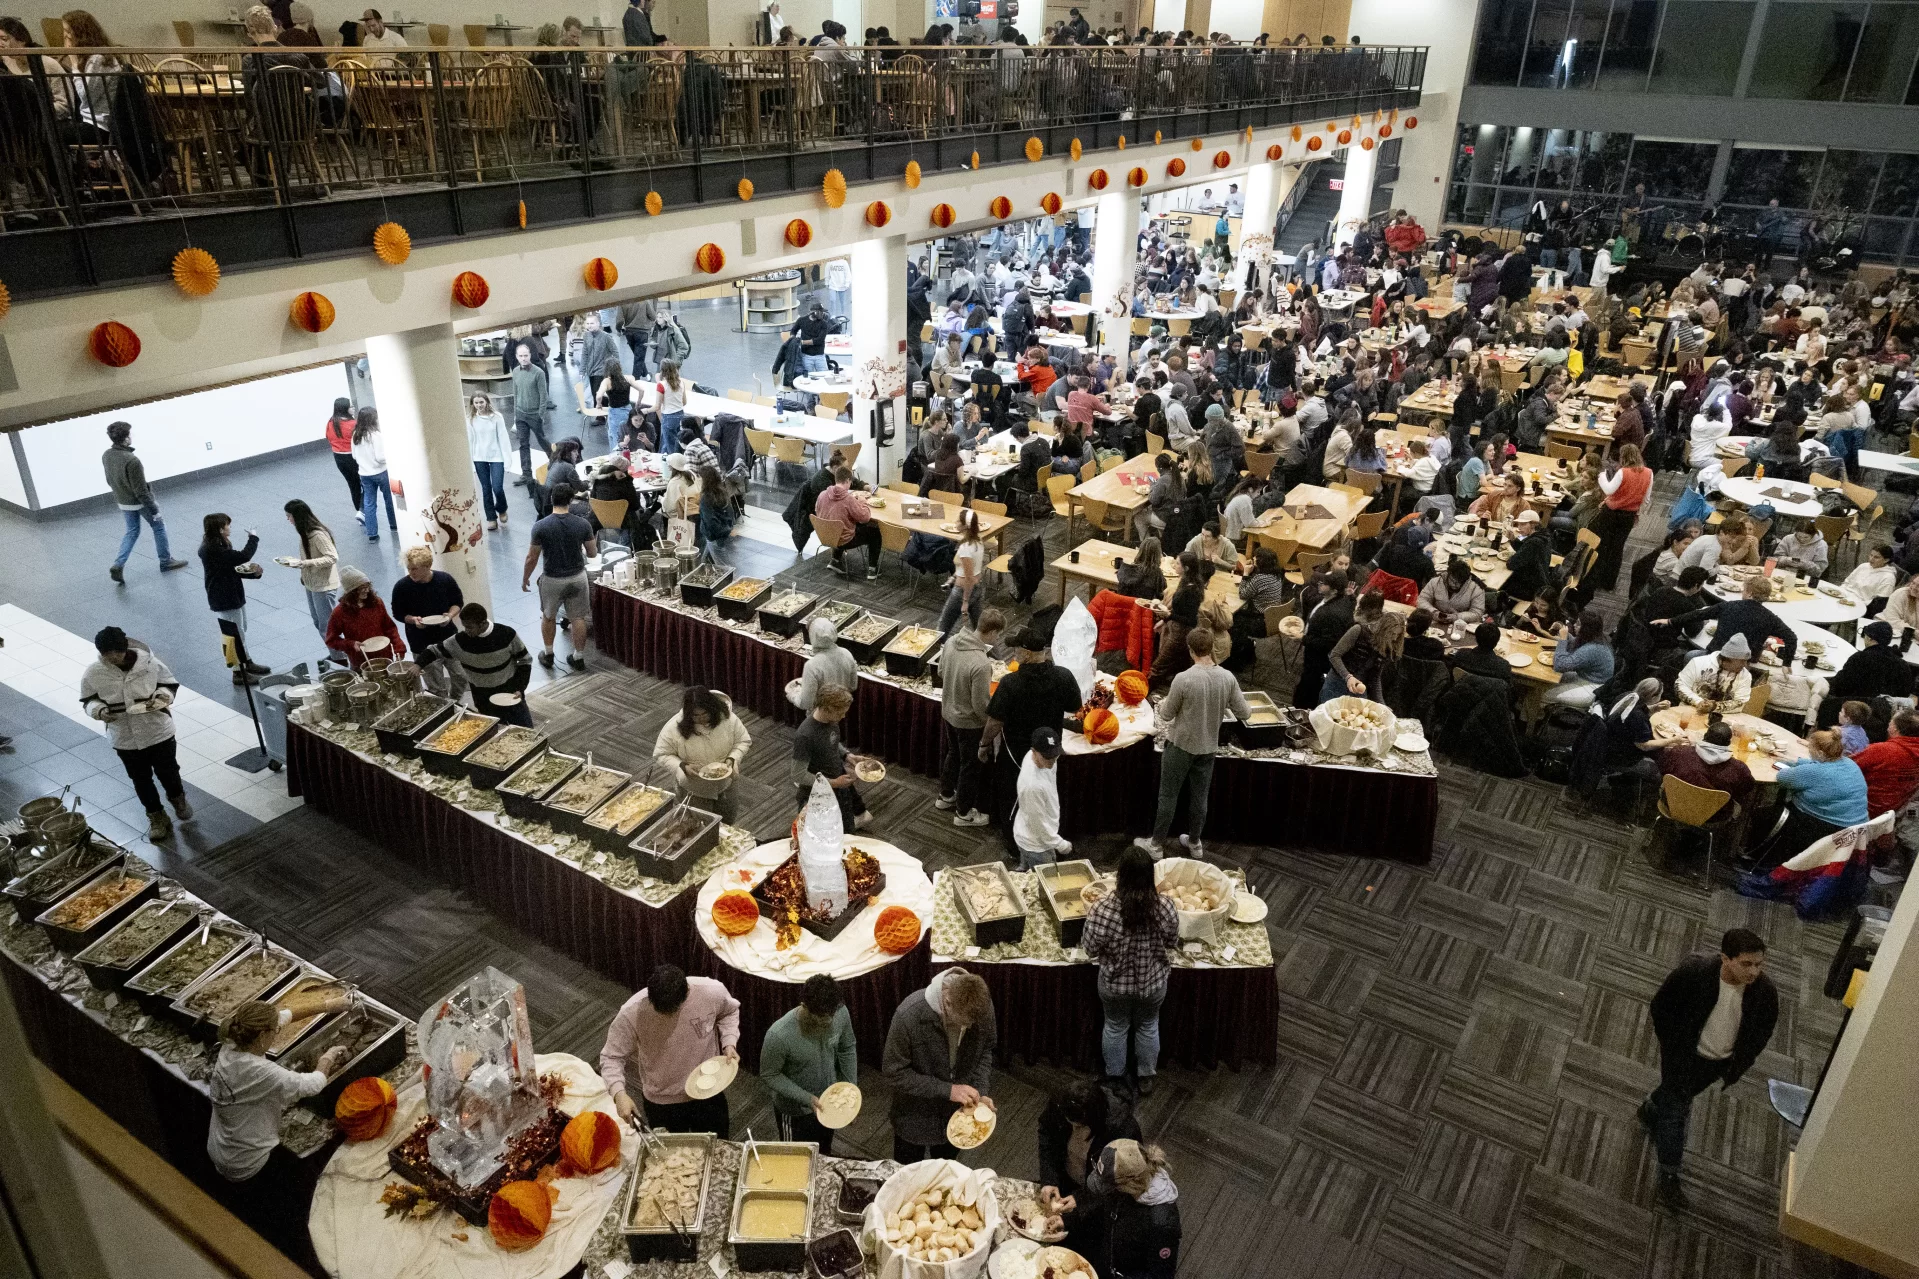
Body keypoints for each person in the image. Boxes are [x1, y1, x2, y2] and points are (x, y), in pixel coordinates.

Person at [1641, 930, 1778, 1211]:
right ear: (1725, 959)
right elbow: (1661, 1007)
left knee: (1676, 1098)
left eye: (1759, 964)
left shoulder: (1765, 993)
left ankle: (1651, 1108)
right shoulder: (1694, 972)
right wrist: (1673, 1045)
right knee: (1677, 1112)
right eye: (1746, 964)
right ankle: (1669, 1173)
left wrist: (1739, 1063)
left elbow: (1760, 1034)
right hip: (1683, 1056)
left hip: (1717, 1063)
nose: (1754, 972)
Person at [1136, 628, 1250, 860]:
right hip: (1208, 748)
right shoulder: (1227, 678)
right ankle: (1195, 842)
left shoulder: (1183, 679)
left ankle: (1156, 845)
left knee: (1168, 796)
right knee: (1200, 797)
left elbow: (1166, 715)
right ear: (1211, 648)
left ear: (1190, 650)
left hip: (1180, 746)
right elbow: (1245, 712)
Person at [207, 1001, 349, 1183]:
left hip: (220, 1145)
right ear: (261, 1036)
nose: (277, 1033)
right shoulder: (258, 1070)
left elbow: (286, 1016)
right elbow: (312, 1085)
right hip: (247, 1159)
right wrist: (328, 1057)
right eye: (275, 1032)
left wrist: (328, 1005)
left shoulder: (234, 1040)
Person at [81, 627, 193, 842]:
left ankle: (177, 799)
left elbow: (168, 685)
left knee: (168, 771)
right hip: (124, 737)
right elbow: (88, 700)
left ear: (124, 649)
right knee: (140, 780)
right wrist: (99, 711)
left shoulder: (150, 664)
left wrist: (162, 697)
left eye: (115, 652)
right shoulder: (94, 672)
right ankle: (156, 816)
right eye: (106, 654)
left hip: (158, 730)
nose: (112, 658)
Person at [1082, 845, 1179, 1092]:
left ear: (1120, 875)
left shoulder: (1103, 910)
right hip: (1154, 984)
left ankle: (1115, 1077)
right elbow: (1171, 941)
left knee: (1115, 1026)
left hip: (1114, 985)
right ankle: (1146, 1077)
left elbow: (1090, 948)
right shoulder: (1166, 907)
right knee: (1148, 1026)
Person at [601, 964, 741, 1136]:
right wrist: (619, 1094)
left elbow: (729, 1012)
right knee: (672, 1157)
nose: (668, 1017)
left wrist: (729, 1042)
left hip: (709, 1089)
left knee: (718, 1146)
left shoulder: (711, 991)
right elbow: (611, 1057)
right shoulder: (631, 1013)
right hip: (662, 1101)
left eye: (673, 1011)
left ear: (687, 992)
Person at [883, 968, 996, 1165]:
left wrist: (980, 1091)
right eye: (963, 1023)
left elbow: (985, 1050)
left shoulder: (981, 1007)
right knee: (908, 1174)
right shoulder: (908, 1015)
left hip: (954, 1118)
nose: (968, 1028)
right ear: (947, 1002)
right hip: (913, 1118)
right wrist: (948, 1090)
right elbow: (894, 1073)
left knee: (945, 1172)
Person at [982, 627, 1084, 842]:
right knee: (1047, 796)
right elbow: (1076, 708)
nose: (1014, 653)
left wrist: (984, 744)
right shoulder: (1063, 676)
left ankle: (1013, 842)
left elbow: (995, 721)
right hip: (1048, 750)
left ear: (1026, 654)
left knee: (1013, 797)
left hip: (1015, 754)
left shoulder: (1010, 683)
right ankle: (1047, 837)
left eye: (1017, 649)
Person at [759, 974, 857, 1153]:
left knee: (824, 1150)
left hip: (828, 1102)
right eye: (821, 1017)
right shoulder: (779, 1035)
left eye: (831, 1015)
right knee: (795, 1158)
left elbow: (847, 1047)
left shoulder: (840, 1012)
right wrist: (806, 1098)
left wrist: (850, 1086)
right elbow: (769, 1075)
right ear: (804, 1006)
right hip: (795, 1112)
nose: (828, 1021)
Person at [1037, 1079, 1141, 1237]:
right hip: (1066, 1183)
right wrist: (1049, 1179)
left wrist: (1082, 1200)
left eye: (1079, 1126)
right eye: (1069, 1123)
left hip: (1101, 1201)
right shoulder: (1061, 1104)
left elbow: (1121, 1183)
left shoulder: (1123, 1130)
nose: (1073, 1129)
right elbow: (1048, 1139)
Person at [1749, 728, 1867, 868]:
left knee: (1762, 815)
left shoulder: (1816, 772)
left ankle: (1758, 858)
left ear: (1820, 753)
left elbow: (1783, 777)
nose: (1809, 752)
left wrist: (1789, 765)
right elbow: (1815, 766)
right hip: (1853, 830)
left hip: (1826, 829)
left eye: (1811, 749)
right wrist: (1797, 763)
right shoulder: (1849, 763)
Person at [1066, 1140, 1182, 1279]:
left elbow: (1160, 1275)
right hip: (1106, 1263)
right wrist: (1067, 1220)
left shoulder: (1162, 1224)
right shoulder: (1122, 1183)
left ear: (1131, 1183)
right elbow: (1102, 1208)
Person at [521, 482, 598, 672]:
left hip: (552, 579)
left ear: (551, 499)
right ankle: (578, 657)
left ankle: (548, 654)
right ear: (571, 500)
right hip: (577, 577)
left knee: (548, 616)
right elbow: (592, 553)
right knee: (578, 618)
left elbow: (532, 557)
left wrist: (525, 578)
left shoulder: (540, 526)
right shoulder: (583, 524)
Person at [101, 422, 188, 583]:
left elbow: (109, 480)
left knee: (132, 531)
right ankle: (166, 561)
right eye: (130, 434)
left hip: (123, 501)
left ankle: (118, 564)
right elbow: (141, 491)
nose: (131, 437)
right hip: (138, 502)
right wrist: (154, 510)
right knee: (159, 526)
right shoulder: (132, 460)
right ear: (126, 439)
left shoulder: (107, 455)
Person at [938, 608, 1001, 829]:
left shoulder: (952, 641)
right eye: (998, 634)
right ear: (992, 632)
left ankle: (945, 795)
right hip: (969, 723)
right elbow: (980, 705)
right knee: (970, 765)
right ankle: (963, 813)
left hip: (948, 712)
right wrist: (990, 725)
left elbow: (940, 672)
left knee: (953, 753)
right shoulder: (981, 663)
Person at [422, 603, 534, 725]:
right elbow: (434, 651)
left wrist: (519, 687)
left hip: (510, 693)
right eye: (464, 627)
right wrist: (417, 665)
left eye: (470, 627)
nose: (466, 631)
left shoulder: (507, 634)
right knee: (494, 731)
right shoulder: (460, 641)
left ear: (482, 623)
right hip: (482, 697)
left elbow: (525, 660)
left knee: (525, 729)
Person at [653, 686, 752, 822]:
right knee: (698, 827)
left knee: (728, 822)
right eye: (696, 715)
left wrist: (732, 758)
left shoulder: (728, 719)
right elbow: (661, 754)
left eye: (705, 714)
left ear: (712, 708)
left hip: (726, 785)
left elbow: (743, 741)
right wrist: (682, 766)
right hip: (694, 790)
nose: (701, 719)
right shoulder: (674, 727)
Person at [1663, 576, 1796, 667]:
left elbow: (1698, 614)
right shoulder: (1770, 618)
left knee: (1690, 655)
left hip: (1715, 657)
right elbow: (1792, 638)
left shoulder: (1728, 606)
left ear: (1749, 593)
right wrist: (1786, 664)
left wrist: (1670, 621)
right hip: (1743, 664)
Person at [199, 514, 268, 685]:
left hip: (231, 592)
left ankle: (247, 662)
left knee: (241, 629)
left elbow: (230, 569)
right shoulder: (213, 549)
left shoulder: (217, 545)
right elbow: (243, 556)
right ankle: (238, 671)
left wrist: (253, 574)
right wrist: (253, 537)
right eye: (227, 525)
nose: (230, 528)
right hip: (224, 596)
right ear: (220, 529)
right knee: (233, 634)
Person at [391, 546, 465, 698]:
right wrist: (413, 620)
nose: (411, 573)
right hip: (421, 642)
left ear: (427, 566)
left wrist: (450, 616)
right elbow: (398, 613)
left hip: (448, 637)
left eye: (414, 569)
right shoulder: (402, 587)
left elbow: (458, 602)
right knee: (436, 686)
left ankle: (455, 700)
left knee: (461, 676)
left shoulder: (444, 579)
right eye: (409, 568)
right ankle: (446, 709)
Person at [793, 686, 872, 829]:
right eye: (840, 713)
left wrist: (847, 755)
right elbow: (798, 775)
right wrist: (833, 783)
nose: (843, 716)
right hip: (818, 796)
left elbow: (832, 742)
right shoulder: (805, 736)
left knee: (847, 832)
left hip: (838, 789)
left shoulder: (831, 721)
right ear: (827, 709)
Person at [277, 499, 344, 664]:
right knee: (318, 621)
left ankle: (340, 657)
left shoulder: (317, 534)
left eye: (289, 516)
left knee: (327, 625)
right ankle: (335, 652)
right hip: (312, 583)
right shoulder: (305, 533)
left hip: (323, 585)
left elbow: (332, 557)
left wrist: (304, 564)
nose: (288, 519)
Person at [1819, 620, 1915, 726]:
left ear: (1869, 638)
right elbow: (1904, 696)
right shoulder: (1903, 666)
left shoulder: (1859, 658)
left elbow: (1840, 686)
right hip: (1884, 718)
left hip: (1853, 712)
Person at [1587, 444, 1651, 593]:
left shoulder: (1623, 472)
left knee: (1602, 546)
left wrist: (1602, 476)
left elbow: (1609, 489)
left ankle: (1595, 579)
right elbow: (1646, 499)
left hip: (1611, 513)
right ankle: (1609, 583)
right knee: (1617, 549)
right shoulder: (1649, 473)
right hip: (1629, 516)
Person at [1658, 719, 1757, 815]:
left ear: (1704, 736)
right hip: (1713, 816)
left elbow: (1663, 769)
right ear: (1728, 743)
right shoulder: (1739, 768)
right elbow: (1745, 790)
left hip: (1672, 804)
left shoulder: (1679, 752)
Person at [1322, 591, 1402, 704]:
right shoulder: (1358, 631)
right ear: (1383, 629)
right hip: (1338, 682)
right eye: (1392, 634)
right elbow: (1334, 655)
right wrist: (1348, 677)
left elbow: (1375, 678)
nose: (1394, 639)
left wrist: (1382, 705)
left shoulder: (1386, 646)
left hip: (1358, 689)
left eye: (1397, 636)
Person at [1012, 727, 1072, 871]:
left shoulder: (1044, 758)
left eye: (1055, 755)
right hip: (1036, 844)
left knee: (1027, 872)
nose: (1052, 760)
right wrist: (1060, 844)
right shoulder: (1032, 785)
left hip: (1027, 832)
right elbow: (1038, 824)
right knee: (1046, 881)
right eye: (1047, 756)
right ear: (1033, 751)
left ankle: (1024, 869)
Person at [324, 566, 405, 670]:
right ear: (351, 591)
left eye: (367, 586)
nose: (366, 590)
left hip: (385, 658)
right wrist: (350, 644)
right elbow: (331, 640)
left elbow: (389, 628)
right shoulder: (339, 613)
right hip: (360, 663)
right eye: (361, 588)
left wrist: (399, 647)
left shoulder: (377, 603)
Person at [815, 467, 882, 581]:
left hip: (825, 535)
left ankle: (835, 560)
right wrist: (863, 503)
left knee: (840, 522)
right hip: (844, 540)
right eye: (850, 482)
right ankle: (872, 569)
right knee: (874, 532)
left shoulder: (822, 494)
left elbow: (818, 511)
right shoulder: (848, 499)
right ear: (847, 481)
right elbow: (865, 518)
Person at [509, 341, 553, 492]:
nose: (523, 358)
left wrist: (540, 414)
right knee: (523, 444)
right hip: (521, 414)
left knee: (542, 440)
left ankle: (555, 463)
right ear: (516, 357)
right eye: (520, 356)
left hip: (534, 414)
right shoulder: (515, 372)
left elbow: (544, 395)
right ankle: (526, 474)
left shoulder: (539, 373)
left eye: (525, 355)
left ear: (530, 356)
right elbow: (516, 393)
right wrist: (515, 414)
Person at [1674, 633, 1754, 713]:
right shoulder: (1698, 662)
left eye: (1746, 661)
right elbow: (1680, 685)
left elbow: (1741, 702)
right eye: (1742, 661)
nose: (1744, 665)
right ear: (1727, 659)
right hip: (1689, 711)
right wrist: (1698, 702)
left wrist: (1714, 707)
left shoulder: (1745, 675)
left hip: (1723, 718)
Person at [467, 393, 513, 531]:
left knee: (497, 488)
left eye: (481, 402)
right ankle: (491, 518)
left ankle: (502, 508)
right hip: (479, 458)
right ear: (473, 404)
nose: (479, 405)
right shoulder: (470, 419)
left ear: (486, 402)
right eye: (476, 403)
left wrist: (507, 459)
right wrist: (470, 461)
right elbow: (470, 441)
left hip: (496, 457)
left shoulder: (497, 417)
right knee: (486, 489)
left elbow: (503, 438)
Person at [350, 408, 397, 541]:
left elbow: (354, 455)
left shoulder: (355, 435)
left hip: (364, 474)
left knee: (369, 503)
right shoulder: (376, 435)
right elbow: (380, 458)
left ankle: (372, 534)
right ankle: (394, 525)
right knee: (389, 500)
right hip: (381, 472)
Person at [939, 509, 986, 637]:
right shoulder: (978, 541)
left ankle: (936, 655)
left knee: (942, 628)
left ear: (965, 525)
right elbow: (970, 569)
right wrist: (953, 577)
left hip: (962, 591)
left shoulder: (966, 548)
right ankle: (993, 655)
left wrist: (965, 601)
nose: (955, 522)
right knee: (981, 631)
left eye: (958, 520)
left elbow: (968, 578)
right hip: (977, 588)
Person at [797, 616, 859, 711]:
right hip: (840, 711)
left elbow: (806, 703)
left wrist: (793, 694)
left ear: (813, 636)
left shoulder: (812, 665)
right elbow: (853, 686)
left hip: (819, 717)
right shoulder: (847, 653)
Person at [1501, 509, 1553, 603]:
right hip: (1539, 581)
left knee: (1499, 582)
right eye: (1519, 524)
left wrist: (1511, 557)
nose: (1519, 527)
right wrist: (1513, 540)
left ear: (1533, 525)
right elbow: (1525, 550)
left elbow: (1511, 564)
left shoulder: (1534, 542)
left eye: (1523, 524)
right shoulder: (1543, 536)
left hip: (1529, 588)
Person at [1419, 557, 1486, 621]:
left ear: (1465, 581)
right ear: (1448, 575)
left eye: (1458, 583)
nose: (1454, 584)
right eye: (1452, 580)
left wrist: (1457, 617)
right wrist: (1434, 612)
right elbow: (1422, 599)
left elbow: (1477, 612)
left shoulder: (1476, 588)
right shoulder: (1436, 581)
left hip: (1461, 623)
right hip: (1435, 619)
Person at [323, 396, 360, 508]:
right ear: (345, 409)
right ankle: (365, 509)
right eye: (351, 406)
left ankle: (359, 509)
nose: (353, 408)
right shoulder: (353, 424)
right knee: (364, 484)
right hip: (353, 457)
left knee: (353, 485)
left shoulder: (331, 422)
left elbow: (328, 437)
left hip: (339, 458)